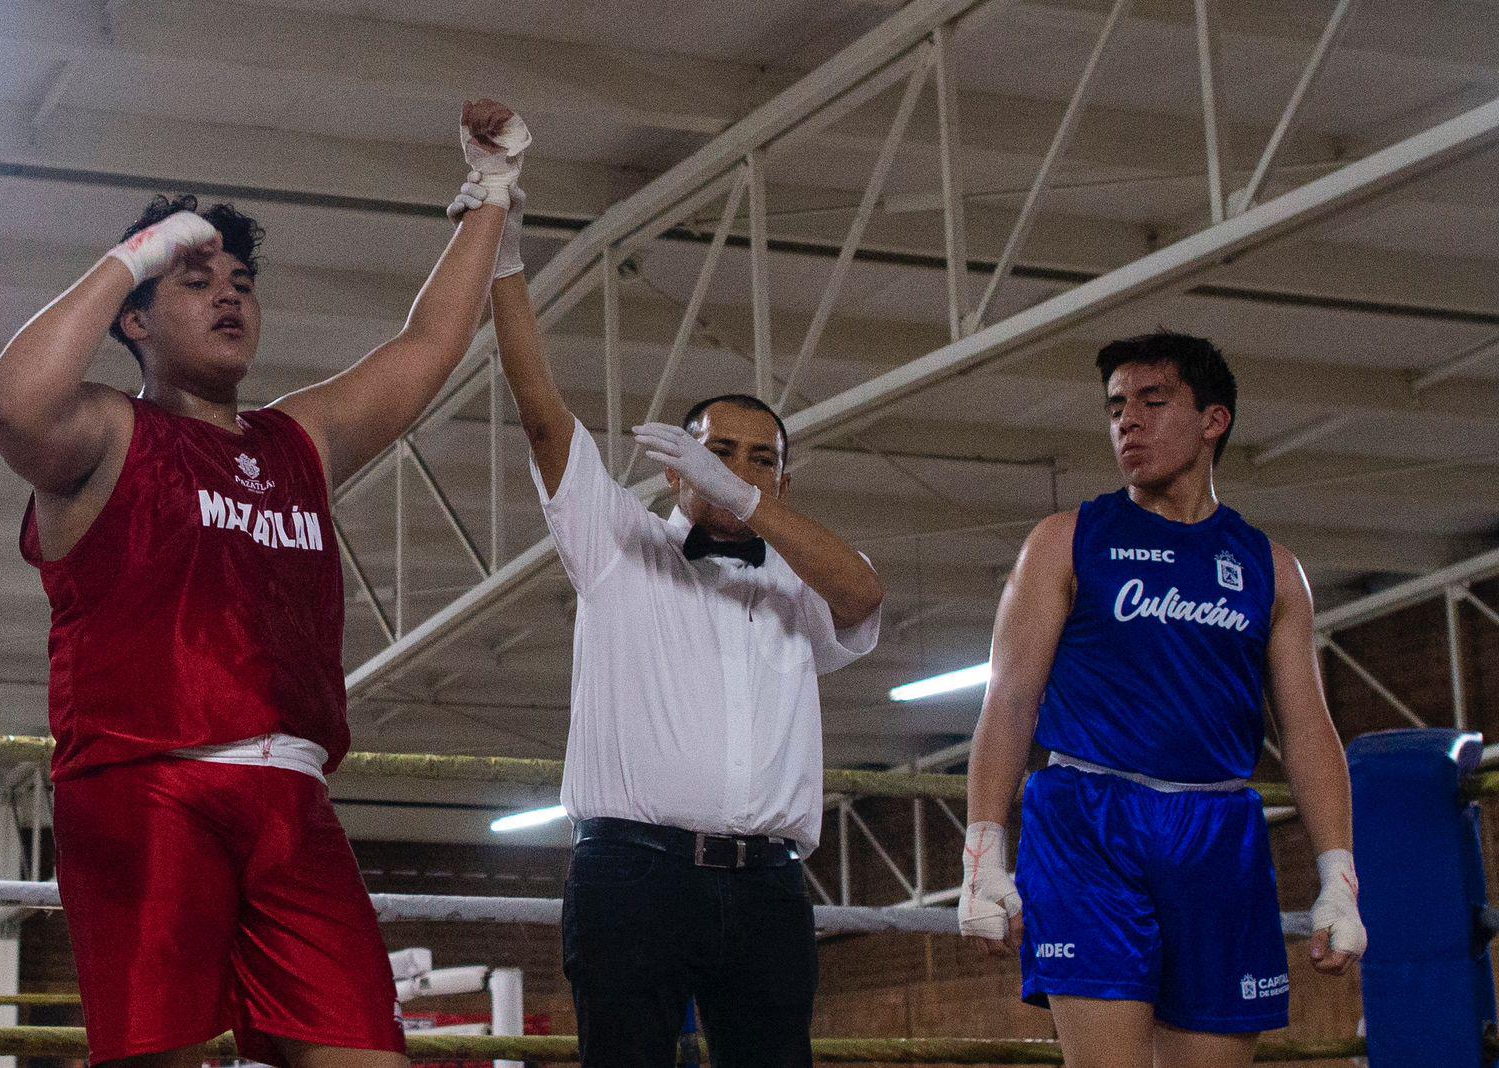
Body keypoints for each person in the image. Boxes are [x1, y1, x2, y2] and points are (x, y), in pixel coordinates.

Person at [0, 101, 527, 1068]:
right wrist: (132, 255)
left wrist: (491, 190)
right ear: (136, 317)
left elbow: (427, 348)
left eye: (241, 282)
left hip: (294, 798)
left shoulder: (296, 439)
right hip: (148, 784)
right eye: (196, 282)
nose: (230, 295)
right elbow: (11, 403)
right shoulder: (105, 432)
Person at [447, 177, 884, 1067]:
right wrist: (506, 248)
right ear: (676, 465)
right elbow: (540, 414)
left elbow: (866, 598)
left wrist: (747, 503)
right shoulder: (618, 545)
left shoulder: (804, 582)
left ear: (783, 484)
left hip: (768, 886)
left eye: (763, 461)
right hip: (631, 878)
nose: (739, 469)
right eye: (718, 452)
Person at [954, 331, 1366, 1068]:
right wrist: (983, 855)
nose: (1127, 423)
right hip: (1087, 824)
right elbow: (1010, 703)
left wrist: (1339, 876)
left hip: (1218, 831)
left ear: (1214, 421)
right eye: (1115, 407)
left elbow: (1307, 730)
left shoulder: (1271, 568)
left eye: (1152, 401)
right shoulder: (1064, 540)